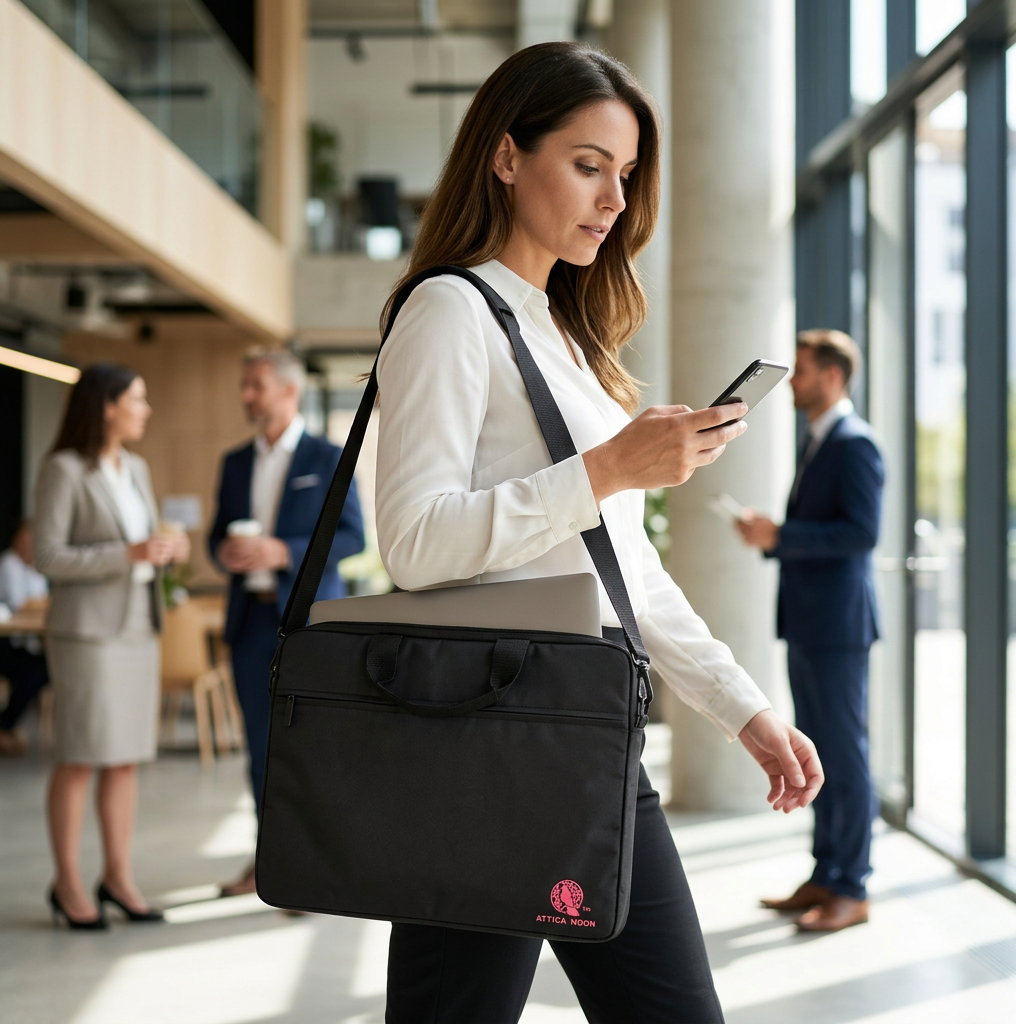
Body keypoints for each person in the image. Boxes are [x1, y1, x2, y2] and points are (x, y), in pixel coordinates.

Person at [373, 42, 823, 1024]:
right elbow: (412, 543)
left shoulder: (566, 338)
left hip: (588, 727)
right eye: (586, 165)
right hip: (490, 740)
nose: (613, 200)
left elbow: (626, 570)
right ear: (504, 156)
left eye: (623, 175)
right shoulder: (449, 311)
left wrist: (743, 708)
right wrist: (607, 469)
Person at [736, 329, 884, 933]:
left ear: (831, 375)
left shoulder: (854, 444)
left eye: (800, 371)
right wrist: (774, 542)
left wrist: (782, 536)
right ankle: (825, 875)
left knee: (844, 757)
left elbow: (861, 534)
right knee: (818, 751)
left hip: (837, 627)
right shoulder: (820, 442)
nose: (792, 382)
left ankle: (852, 887)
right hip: (810, 622)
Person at [34, 363, 189, 929]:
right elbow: (48, 556)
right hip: (88, 634)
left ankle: (118, 878)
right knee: (80, 757)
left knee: (125, 761)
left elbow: (142, 545)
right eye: (138, 399)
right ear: (106, 406)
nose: (145, 410)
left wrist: (165, 551)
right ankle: (68, 883)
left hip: (135, 629)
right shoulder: (64, 470)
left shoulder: (138, 469)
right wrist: (127, 554)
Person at [209, 348, 364, 897]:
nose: (246, 395)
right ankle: (265, 864)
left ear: (288, 390)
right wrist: (224, 553)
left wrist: (283, 551)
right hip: (250, 623)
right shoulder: (233, 463)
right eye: (245, 385)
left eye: (256, 385)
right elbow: (215, 537)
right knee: (260, 748)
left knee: (312, 749)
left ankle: (314, 871)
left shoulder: (328, 456)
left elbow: (353, 538)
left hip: (308, 626)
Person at [0, 522, 50, 755]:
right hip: (7, 642)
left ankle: (7, 726)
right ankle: (5, 726)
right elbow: (20, 603)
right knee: (34, 672)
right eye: (25, 540)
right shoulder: (9, 564)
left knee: (45, 669)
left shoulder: (35, 569)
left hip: (27, 641)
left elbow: (42, 601)